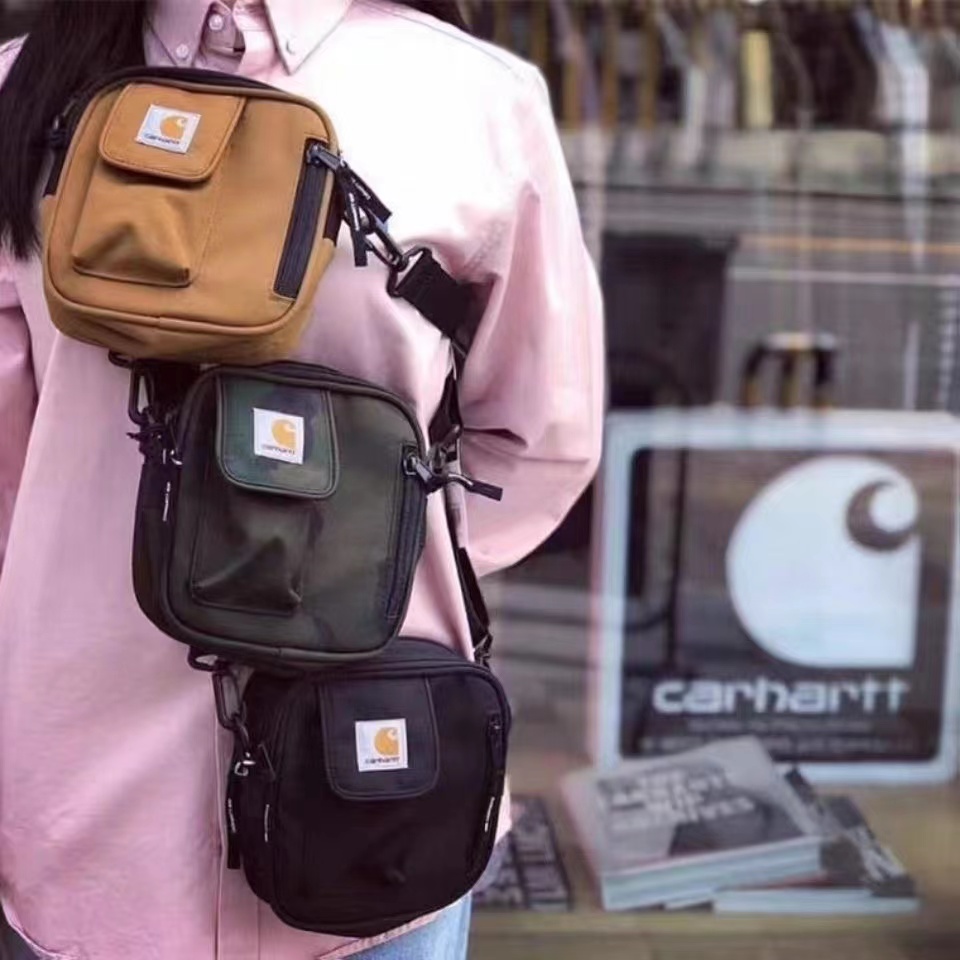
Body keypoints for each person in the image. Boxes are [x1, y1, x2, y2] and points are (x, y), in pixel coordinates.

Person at [0, 1, 604, 957]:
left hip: (367, 802)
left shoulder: (483, 98)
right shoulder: (21, 89)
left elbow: (541, 436)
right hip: (91, 821)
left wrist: (369, 566)